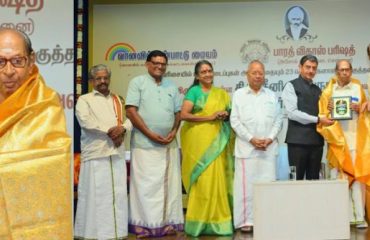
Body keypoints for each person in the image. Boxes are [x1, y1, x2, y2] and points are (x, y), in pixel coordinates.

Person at [0, 28, 71, 238]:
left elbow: (53, 162)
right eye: (0, 61)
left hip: (27, 219)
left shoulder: (45, 105)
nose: (9, 70)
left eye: (17, 61)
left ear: (31, 60)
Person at [125, 50, 184, 238]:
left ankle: (167, 225)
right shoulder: (137, 83)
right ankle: (144, 226)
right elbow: (131, 112)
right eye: (155, 63)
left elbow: (178, 113)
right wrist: (150, 134)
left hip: (168, 145)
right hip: (144, 145)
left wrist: (174, 131)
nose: (159, 66)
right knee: (146, 187)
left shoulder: (171, 86)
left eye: (163, 63)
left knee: (169, 187)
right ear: (147, 64)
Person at [74, 64, 131, 239]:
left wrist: (122, 129)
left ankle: (118, 233)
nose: (103, 81)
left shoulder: (118, 99)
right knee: (95, 196)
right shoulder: (84, 100)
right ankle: (92, 234)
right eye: (98, 78)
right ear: (92, 81)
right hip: (96, 153)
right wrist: (111, 131)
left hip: (116, 152)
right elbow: (86, 122)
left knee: (118, 194)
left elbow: (130, 121)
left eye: (105, 78)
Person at [180, 60, 234, 237]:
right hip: (200, 144)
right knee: (203, 182)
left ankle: (219, 221)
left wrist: (224, 116)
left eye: (209, 71)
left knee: (218, 181)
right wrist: (210, 117)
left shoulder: (221, 94)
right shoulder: (194, 91)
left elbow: (230, 116)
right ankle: (199, 223)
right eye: (203, 72)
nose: (207, 74)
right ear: (197, 76)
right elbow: (184, 115)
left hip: (217, 143)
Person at [230, 60, 282, 233]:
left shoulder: (271, 95)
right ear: (247, 74)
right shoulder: (239, 94)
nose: (258, 76)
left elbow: (278, 120)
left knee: (267, 186)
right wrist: (251, 139)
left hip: (268, 149)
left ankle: (267, 219)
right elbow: (235, 121)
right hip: (247, 149)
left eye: (261, 73)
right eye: (254, 72)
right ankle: (245, 221)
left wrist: (270, 138)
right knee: (246, 188)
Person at [317, 59, 370, 229]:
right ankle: (340, 218)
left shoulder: (357, 87)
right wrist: (329, 109)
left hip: (355, 141)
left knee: (357, 181)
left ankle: (359, 218)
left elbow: (366, 110)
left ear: (352, 71)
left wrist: (360, 107)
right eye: (341, 70)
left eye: (348, 70)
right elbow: (322, 118)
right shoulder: (328, 92)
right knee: (338, 181)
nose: (345, 73)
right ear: (336, 72)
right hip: (336, 144)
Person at [281, 54, 333, 180]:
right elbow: (292, 113)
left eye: (314, 68)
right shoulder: (291, 86)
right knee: (295, 180)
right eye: (308, 67)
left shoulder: (319, 90)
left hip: (316, 142)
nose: (311, 71)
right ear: (300, 67)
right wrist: (318, 119)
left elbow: (323, 112)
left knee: (314, 180)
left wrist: (330, 107)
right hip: (297, 143)